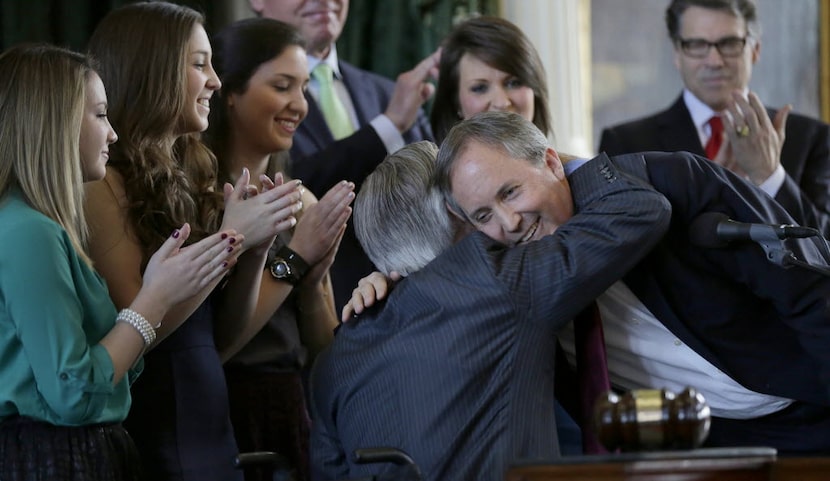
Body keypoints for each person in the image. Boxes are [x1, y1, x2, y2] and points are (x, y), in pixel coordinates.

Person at [351, 111, 830, 454]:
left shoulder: (667, 181)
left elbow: (811, 293)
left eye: (511, 191)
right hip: (720, 449)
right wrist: (393, 288)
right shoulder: (516, 290)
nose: (509, 221)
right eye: (483, 215)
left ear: (553, 163)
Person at [310, 125, 674, 479]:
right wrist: (550, 165)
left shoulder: (331, 363)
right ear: (455, 215)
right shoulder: (493, 278)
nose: (500, 222)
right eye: (476, 209)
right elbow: (639, 208)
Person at [0, 44, 241, 481]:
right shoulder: (28, 231)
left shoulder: (36, 225)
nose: (112, 134)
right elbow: (74, 392)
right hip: (54, 460)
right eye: (99, 115)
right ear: (55, 123)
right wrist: (154, 297)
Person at [85, 3, 304, 481]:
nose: (216, 82)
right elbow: (144, 336)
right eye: (199, 64)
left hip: (211, 427)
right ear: (154, 69)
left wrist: (256, 252)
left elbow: (220, 340)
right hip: (157, 433)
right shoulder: (102, 185)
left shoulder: (187, 174)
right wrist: (235, 238)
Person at [207, 17, 354, 481]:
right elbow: (220, 346)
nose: (299, 105)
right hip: (224, 411)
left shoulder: (302, 201)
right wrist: (295, 259)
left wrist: (312, 285)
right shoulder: (198, 198)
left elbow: (323, 347)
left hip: (294, 409)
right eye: (282, 86)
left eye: (304, 87)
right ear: (229, 92)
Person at [249, 0, 438, 311]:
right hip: (303, 319)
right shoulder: (234, 92)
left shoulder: (388, 92)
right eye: (284, 86)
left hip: (417, 308)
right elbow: (293, 183)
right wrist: (387, 127)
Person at [599, 0, 830, 234]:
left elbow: (823, 252)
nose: (715, 61)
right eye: (697, 45)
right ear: (677, 54)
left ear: (755, 50)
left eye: (729, 43)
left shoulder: (812, 139)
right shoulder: (626, 144)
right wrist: (710, 193)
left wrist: (768, 175)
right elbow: (622, 247)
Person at [430, 15, 551, 144]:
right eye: (480, 88)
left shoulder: (571, 164)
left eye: (514, 83)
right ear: (456, 104)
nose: (501, 103)